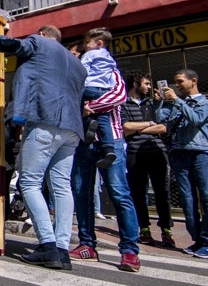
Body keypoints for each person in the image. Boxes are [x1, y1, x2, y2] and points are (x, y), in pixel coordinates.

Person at [0, 18, 84, 269]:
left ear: (43, 33)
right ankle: (63, 249)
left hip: (45, 121)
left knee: (30, 182)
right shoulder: (77, 64)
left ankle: (47, 245)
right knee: (62, 187)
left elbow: (8, 44)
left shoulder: (39, 42)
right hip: (72, 129)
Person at [69, 71, 142, 273]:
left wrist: (90, 107)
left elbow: (119, 96)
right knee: (82, 193)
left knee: (119, 193)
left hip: (113, 142)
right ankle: (87, 244)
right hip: (84, 142)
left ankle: (129, 250)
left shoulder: (111, 73)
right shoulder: (80, 76)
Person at [156, 69, 208, 259]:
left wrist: (177, 100)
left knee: (207, 198)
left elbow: (196, 119)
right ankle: (198, 239)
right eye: (175, 82)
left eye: (180, 81)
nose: (177, 85)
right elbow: (162, 120)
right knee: (187, 199)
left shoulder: (205, 103)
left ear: (193, 81)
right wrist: (161, 101)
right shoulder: (176, 103)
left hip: (201, 153)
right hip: (179, 152)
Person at [121, 70, 175, 247]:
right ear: (135, 85)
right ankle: (144, 229)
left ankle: (166, 230)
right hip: (135, 153)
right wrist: (150, 124)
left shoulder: (153, 104)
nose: (149, 87)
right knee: (138, 193)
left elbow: (162, 128)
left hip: (157, 152)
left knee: (162, 192)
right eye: (146, 84)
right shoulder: (123, 104)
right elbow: (125, 128)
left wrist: (139, 128)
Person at [81, 28, 120, 169]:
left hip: (89, 87)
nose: (84, 46)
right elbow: (111, 77)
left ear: (99, 43)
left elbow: (83, 71)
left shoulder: (89, 54)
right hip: (103, 91)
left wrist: (80, 87)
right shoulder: (110, 58)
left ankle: (89, 123)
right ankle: (109, 149)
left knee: (79, 105)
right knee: (104, 120)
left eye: (87, 42)